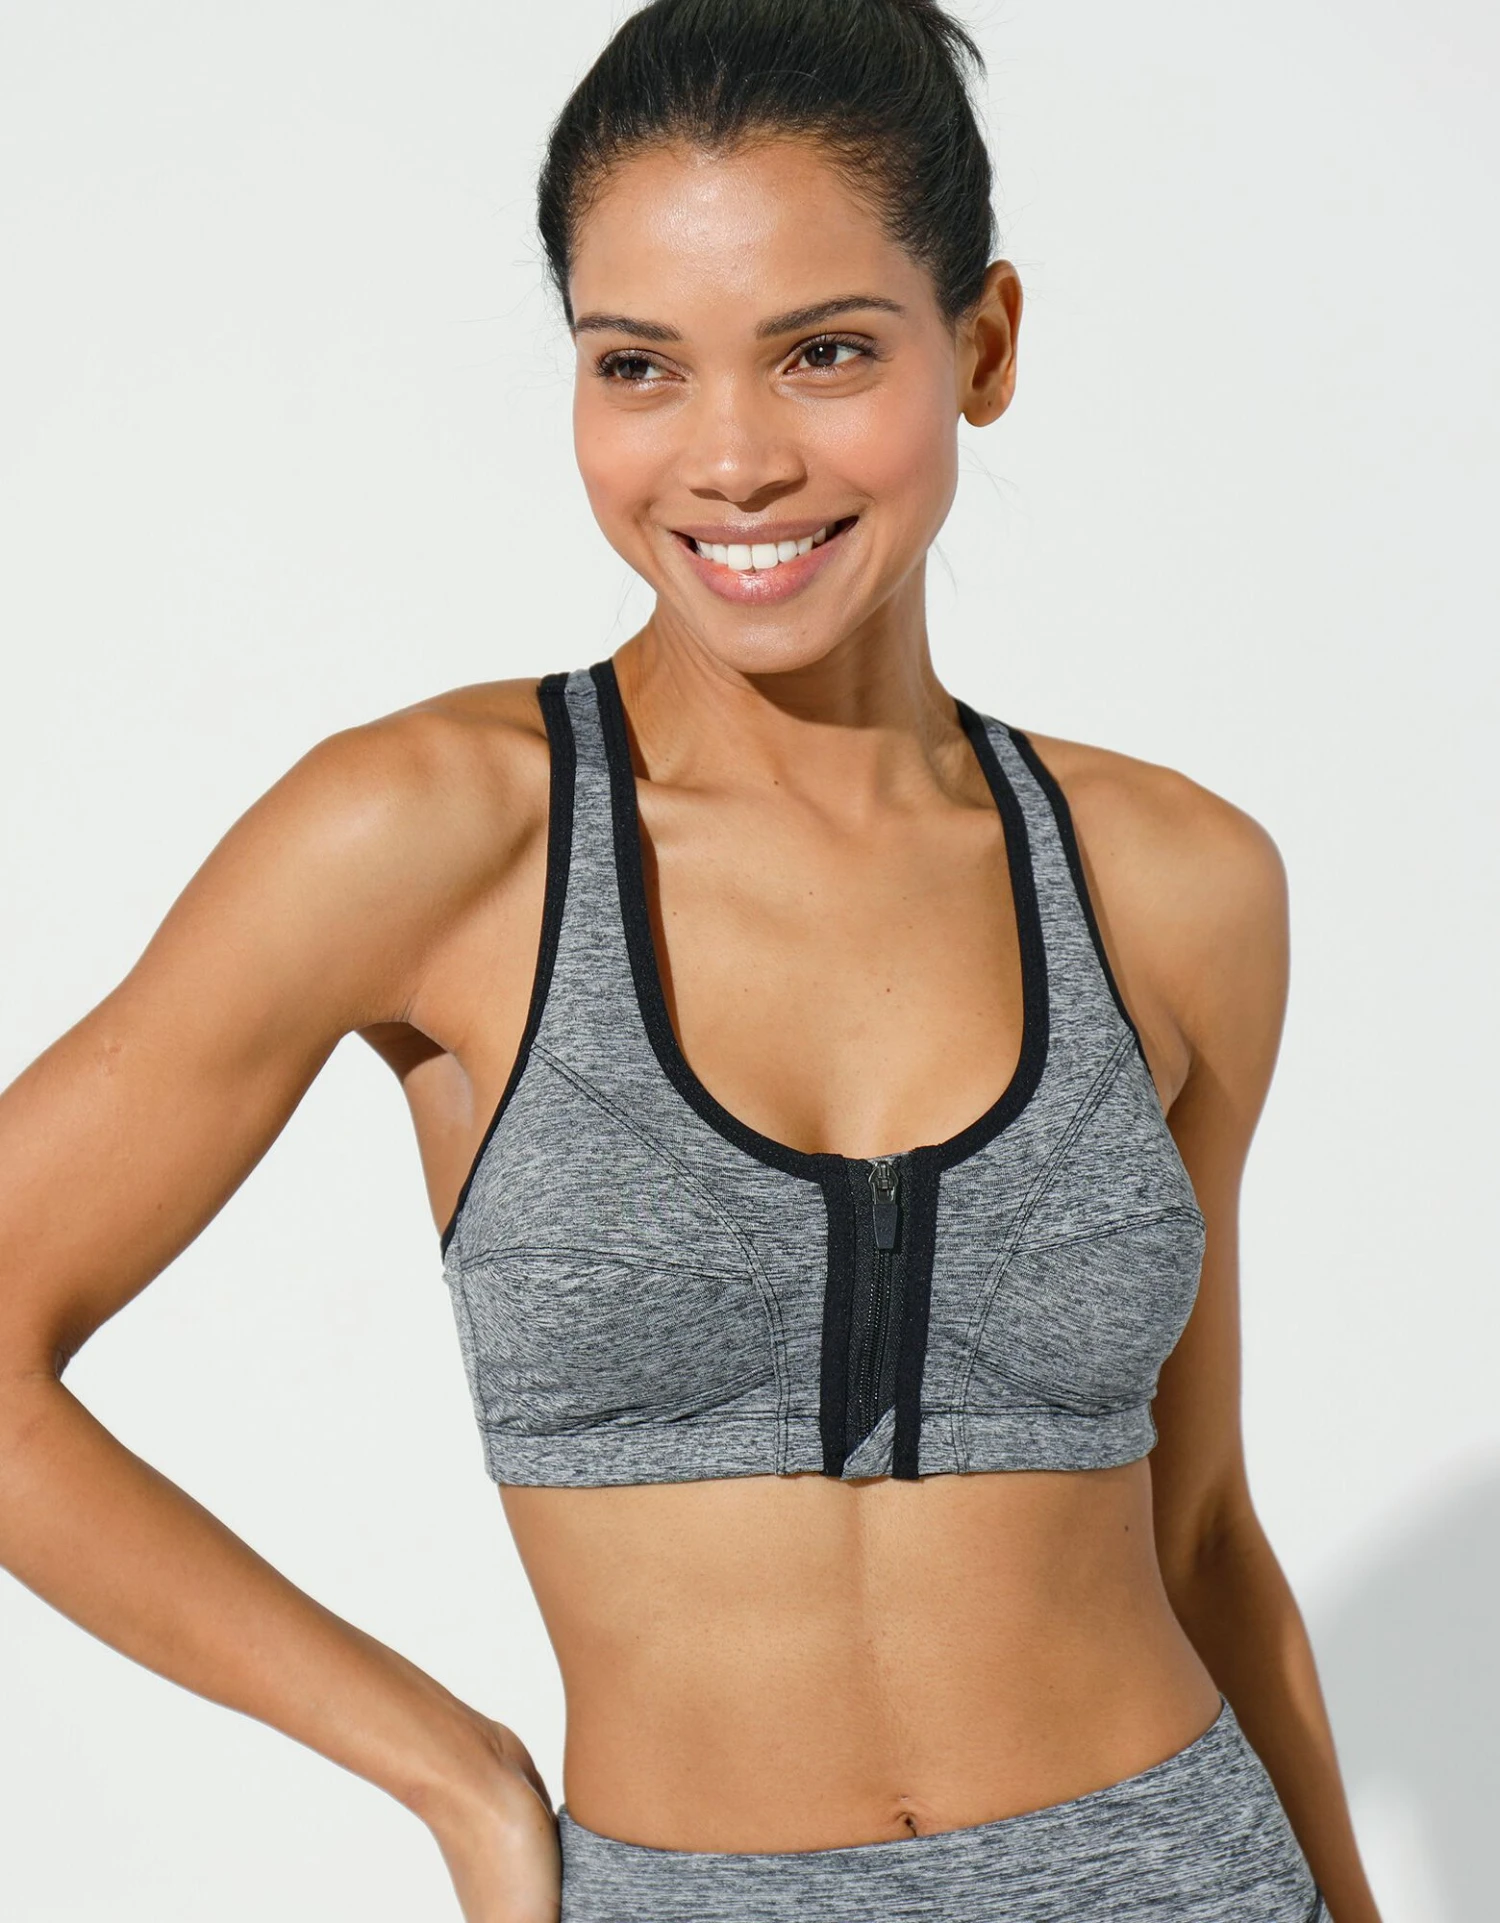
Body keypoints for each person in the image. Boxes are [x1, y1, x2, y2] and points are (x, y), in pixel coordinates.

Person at [0, 1, 1384, 1918]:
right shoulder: (438, 836)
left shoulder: (1175, 883)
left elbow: (1203, 1523)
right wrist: (458, 1776)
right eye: (638, 365)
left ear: (983, 346)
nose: (731, 458)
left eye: (825, 353)